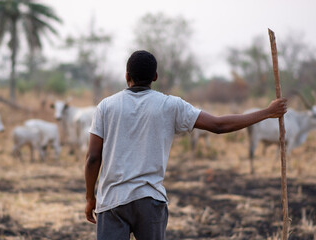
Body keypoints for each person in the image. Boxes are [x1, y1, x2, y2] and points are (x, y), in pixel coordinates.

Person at [84, 50, 287, 240]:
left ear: (126, 75)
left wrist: (90, 197)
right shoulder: (170, 105)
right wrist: (267, 112)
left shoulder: (106, 107)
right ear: (155, 76)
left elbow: (93, 158)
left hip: (112, 202)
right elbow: (218, 125)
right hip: (150, 200)